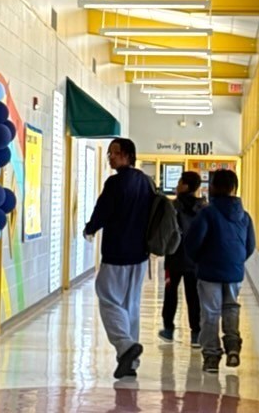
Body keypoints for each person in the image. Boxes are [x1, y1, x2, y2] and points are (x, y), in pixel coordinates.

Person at [84, 138, 153, 379]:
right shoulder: (146, 182)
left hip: (117, 253)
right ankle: (130, 363)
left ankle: (125, 346)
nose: (110, 158)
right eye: (110, 154)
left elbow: (103, 210)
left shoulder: (115, 183)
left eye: (114, 153)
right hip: (140, 255)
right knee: (130, 304)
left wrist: (90, 228)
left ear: (127, 155)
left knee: (108, 298)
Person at [184, 169, 256, 373]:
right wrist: (236, 262)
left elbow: (192, 242)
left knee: (210, 312)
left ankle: (212, 356)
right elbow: (250, 245)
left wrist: (198, 261)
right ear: (234, 188)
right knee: (231, 307)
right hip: (234, 272)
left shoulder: (207, 213)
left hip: (209, 272)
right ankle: (233, 345)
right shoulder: (245, 216)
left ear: (213, 187)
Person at [159, 171, 205, 347]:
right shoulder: (203, 208)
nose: (177, 186)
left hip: (174, 257)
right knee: (194, 296)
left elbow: (165, 230)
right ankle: (196, 333)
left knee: (171, 294)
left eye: (179, 182)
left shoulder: (172, 206)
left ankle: (169, 329)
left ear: (185, 185)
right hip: (195, 260)